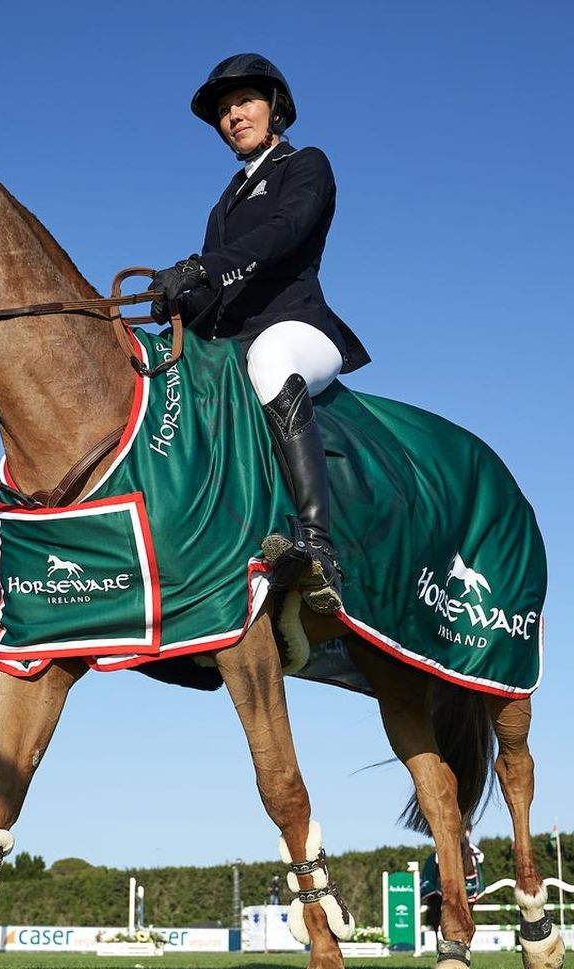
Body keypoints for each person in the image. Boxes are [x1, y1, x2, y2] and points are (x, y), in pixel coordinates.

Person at [154, 54, 370, 613]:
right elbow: (217, 289)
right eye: (224, 110)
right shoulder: (223, 204)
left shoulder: (306, 164)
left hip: (298, 327)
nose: (232, 115)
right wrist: (177, 300)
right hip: (234, 337)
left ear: (274, 108)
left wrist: (202, 267)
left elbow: (284, 232)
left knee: (271, 359)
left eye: (244, 102)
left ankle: (318, 543)